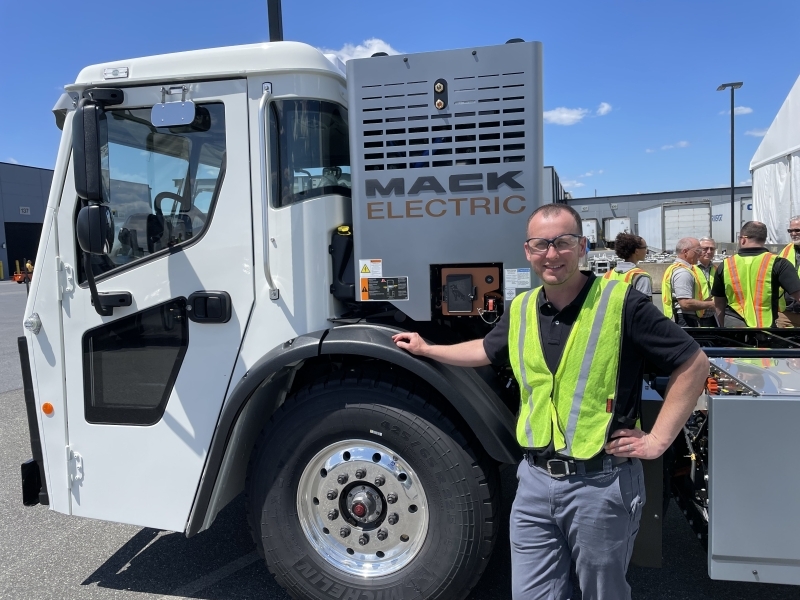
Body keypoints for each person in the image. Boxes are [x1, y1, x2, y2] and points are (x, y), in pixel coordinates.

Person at [392, 204, 708, 600]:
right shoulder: (521, 308)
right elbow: (486, 351)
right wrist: (429, 349)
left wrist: (658, 440)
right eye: (541, 244)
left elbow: (694, 363)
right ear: (528, 251)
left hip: (600, 484)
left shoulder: (622, 303)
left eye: (563, 242)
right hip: (534, 483)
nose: (552, 253)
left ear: (582, 247)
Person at [712, 221, 800, 328]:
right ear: (764, 239)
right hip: (766, 327)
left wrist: (722, 327)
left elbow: (719, 302)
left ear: (743, 239)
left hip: (734, 325)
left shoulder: (725, 265)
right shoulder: (778, 262)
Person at [662, 237, 714, 327]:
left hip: (681, 318)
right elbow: (685, 303)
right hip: (685, 319)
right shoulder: (683, 272)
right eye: (698, 250)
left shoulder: (676, 268)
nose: (700, 253)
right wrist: (711, 304)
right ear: (685, 252)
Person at [604, 232, 652, 297]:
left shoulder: (607, 275)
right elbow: (644, 306)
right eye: (645, 248)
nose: (646, 251)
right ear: (636, 251)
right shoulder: (641, 277)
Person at [776, 216, 800, 327]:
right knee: (780, 343)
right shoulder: (785, 251)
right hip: (786, 314)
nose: (793, 233)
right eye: (790, 231)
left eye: (797, 230)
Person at [693, 237, 718, 327]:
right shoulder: (690, 268)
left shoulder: (716, 269)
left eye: (712, 249)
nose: (709, 251)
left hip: (712, 316)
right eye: (705, 249)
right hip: (694, 316)